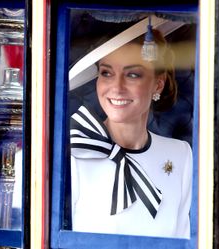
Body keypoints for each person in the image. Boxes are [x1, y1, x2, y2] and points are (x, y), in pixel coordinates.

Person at [69, 15, 193, 239]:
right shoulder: (76, 152)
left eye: (132, 74)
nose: (116, 88)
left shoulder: (180, 155)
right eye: (106, 73)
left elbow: (183, 238)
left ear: (158, 83)